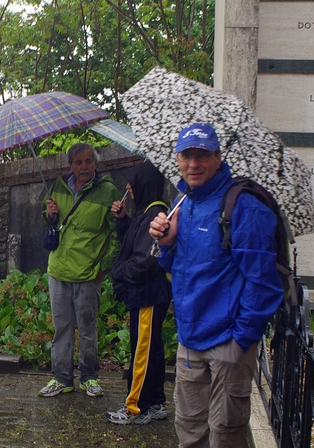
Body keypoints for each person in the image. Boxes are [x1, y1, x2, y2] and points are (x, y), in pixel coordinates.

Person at [148, 123, 284, 447]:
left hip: (227, 343)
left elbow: (263, 281)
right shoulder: (185, 203)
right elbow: (177, 268)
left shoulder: (242, 206)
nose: (193, 164)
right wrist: (166, 244)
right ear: (177, 159)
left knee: (225, 434)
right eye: (186, 155)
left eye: (202, 155)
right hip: (190, 342)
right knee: (189, 430)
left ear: (218, 157)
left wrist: (240, 342)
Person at [39, 143, 121, 398]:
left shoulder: (108, 191)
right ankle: (61, 378)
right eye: (78, 162)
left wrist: (103, 268)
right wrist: (50, 214)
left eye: (88, 161)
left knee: (87, 328)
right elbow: (49, 218)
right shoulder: (58, 186)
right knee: (61, 328)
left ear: (96, 164)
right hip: (58, 270)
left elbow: (116, 234)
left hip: (88, 273)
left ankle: (89, 377)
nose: (83, 167)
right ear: (70, 165)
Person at [106, 161, 171, 425]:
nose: (129, 187)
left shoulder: (156, 214)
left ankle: (135, 406)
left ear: (146, 183)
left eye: (134, 181)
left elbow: (145, 260)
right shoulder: (146, 212)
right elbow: (134, 241)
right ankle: (154, 401)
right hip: (149, 294)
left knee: (141, 349)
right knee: (152, 347)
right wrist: (123, 220)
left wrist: (118, 272)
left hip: (148, 294)